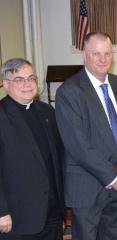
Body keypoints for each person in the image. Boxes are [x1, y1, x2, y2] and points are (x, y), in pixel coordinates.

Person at [55, 32, 117, 240]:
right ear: (84, 55)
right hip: (88, 187)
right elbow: (77, 145)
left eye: (107, 53)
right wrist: (112, 175)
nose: (103, 59)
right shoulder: (69, 91)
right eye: (96, 54)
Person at [0, 58, 64, 239]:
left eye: (31, 78)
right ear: (6, 84)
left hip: (51, 210)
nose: (27, 84)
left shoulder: (46, 111)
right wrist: (1, 212)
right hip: (17, 217)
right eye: (19, 79)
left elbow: (57, 157)